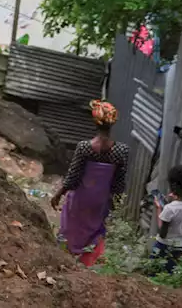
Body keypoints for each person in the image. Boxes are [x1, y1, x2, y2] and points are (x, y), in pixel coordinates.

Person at [50, 99, 130, 267]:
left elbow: (73, 176)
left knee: (71, 227)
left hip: (80, 197)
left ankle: (64, 259)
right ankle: (86, 263)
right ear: (112, 123)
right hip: (100, 200)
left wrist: (58, 194)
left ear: (95, 121)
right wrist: (112, 201)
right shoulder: (121, 151)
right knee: (93, 230)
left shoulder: (84, 147)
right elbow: (119, 182)